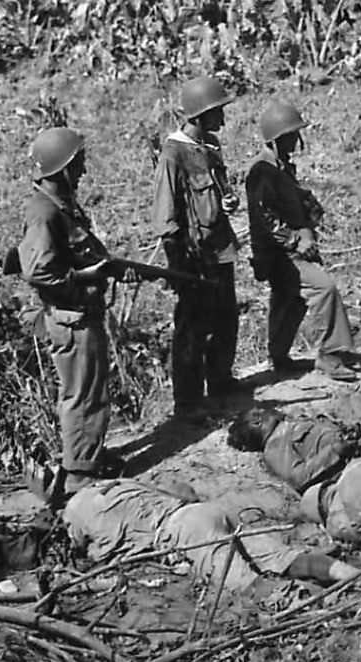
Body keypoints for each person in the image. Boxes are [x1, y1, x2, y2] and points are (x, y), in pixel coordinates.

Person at [16, 127, 116, 496]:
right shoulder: (44, 212)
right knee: (81, 395)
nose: (84, 171)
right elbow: (38, 270)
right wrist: (82, 281)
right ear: (62, 168)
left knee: (90, 391)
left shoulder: (60, 206)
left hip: (78, 314)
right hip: (71, 318)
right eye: (78, 164)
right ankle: (78, 475)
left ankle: (87, 459)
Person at [63, 478, 360, 591]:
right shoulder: (115, 483)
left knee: (249, 585)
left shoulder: (74, 512)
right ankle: (357, 577)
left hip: (185, 532)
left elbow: (97, 552)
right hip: (204, 511)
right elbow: (176, 489)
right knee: (285, 558)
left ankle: (322, 605)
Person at [245, 101, 356, 380]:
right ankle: (331, 354)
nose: (296, 140)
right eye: (291, 135)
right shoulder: (262, 170)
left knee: (290, 300)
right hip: (280, 253)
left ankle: (280, 358)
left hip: (288, 249)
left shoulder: (281, 168)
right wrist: (295, 241)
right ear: (277, 139)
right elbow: (264, 217)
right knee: (324, 289)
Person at [152, 75, 242, 417]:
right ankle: (187, 401)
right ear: (199, 116)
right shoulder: (173, 154)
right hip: (194, 254)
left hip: (220, 247)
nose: (223, 118)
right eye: (217, 111)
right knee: (192, 326)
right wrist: (178, 260)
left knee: (225, 317)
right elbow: (165, 213)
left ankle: (220, 381)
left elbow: (217, 192)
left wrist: (227, 202)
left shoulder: (210, 146)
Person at [227, 407, 355, 493]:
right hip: (355, 463)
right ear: (257, 422)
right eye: (260, 411)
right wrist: (335, 450)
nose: (268, 409)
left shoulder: (291, 422)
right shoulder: (274, 446)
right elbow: (297, 479)